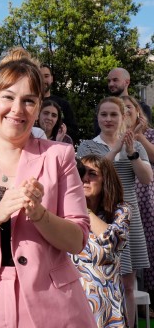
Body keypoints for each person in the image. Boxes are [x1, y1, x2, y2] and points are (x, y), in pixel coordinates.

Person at [0, 58, 96, 327]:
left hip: (51, 302)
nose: (17, 109)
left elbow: (77, 240)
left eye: (29, 101)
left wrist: (40, 214)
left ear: (38, 110)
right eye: (8, 97)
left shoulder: (60, 156)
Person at [77, 96, 152, 328]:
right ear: (97, 118)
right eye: (104, 114)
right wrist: (117, 148)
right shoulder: (87, 145)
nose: (108, 119)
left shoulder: (135, 145)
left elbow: (147, 178)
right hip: (98, 215)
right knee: (98, 280)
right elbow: (94, 173)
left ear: (122, 117)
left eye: (113, 115)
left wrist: (130, 152)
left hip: (128, 217)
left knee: (129, 285)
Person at [70, 155, 130, 327]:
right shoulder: (66, 212)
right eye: (81, 173)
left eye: (92, 174)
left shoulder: (121, 211)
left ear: (106, 180)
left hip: (107, 306)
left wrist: (84, 209)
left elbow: (112, 241)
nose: (85, 179)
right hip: (72, 300)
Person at [122, 95, 154, 306]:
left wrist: (140, 136)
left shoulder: (149, 134)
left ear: (137, 112)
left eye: (129, 108)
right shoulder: (110, 136)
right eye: (121, 109)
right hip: (127, 198)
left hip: (148, 192)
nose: (125, 112)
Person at [40, 65, 78, 142]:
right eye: (39, 77)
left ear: (52, 79)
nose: (43, 80)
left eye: (46, 76)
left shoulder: (63, 104)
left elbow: (74, 131)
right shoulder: (28, 103)